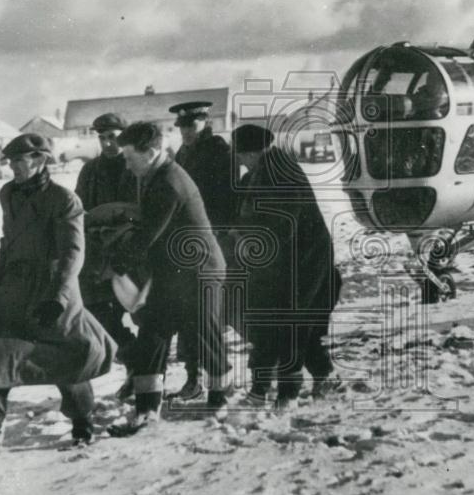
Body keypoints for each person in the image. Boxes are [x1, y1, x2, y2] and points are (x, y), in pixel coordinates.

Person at [0, 134, 117, 461]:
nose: (14, 168)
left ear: (40, 160)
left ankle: (82, 427)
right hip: (14, 288)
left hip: (51, 290)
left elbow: (72, 255)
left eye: (20, 161)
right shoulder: (7, 194)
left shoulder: (64, 200)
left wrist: (58, 300)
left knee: (67, 359)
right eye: (11, 162)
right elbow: (7, 241)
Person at [107, 122, 230, 436]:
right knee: (152, 335)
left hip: (201, 271)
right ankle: (147, 411)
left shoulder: (169, 182)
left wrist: (114, 265)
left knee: (206, 332)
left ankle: (219, 398)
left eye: (129, 155)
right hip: (173, 271)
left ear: (149, 152)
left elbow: (148, 235)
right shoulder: (154, 175)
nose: (125, 162)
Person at [231, 124, 341, 409]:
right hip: (281, 261)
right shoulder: (259, 173)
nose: (240, 161)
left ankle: (288, 392)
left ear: (254, 152)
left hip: (305, 261)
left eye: (242, 155)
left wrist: (246, 238)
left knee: (289, 323)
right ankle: (321, 375)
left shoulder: (281, 171)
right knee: (280, 323)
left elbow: (282, 223)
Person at [168, 100, 235, 400]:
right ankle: (193, 378)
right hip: (186, 244)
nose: (185, 131)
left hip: (214, 242)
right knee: (187, 314)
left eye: (190, 126)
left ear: (205, 123)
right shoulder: (182, 153)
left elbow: (228, 196)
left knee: (211, 317)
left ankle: (220, 380)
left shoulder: (219, 151)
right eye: (181, 127)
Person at [74, 112, 138, 354]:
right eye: (102, 138)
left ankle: (147, 375)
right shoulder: (90, 171)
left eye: (113, 137)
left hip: (133, 254)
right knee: (97, 312)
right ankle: (133, 358)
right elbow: (80, 211)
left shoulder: (137, 166)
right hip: (100, 258)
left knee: (144, 317)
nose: (108, 143)